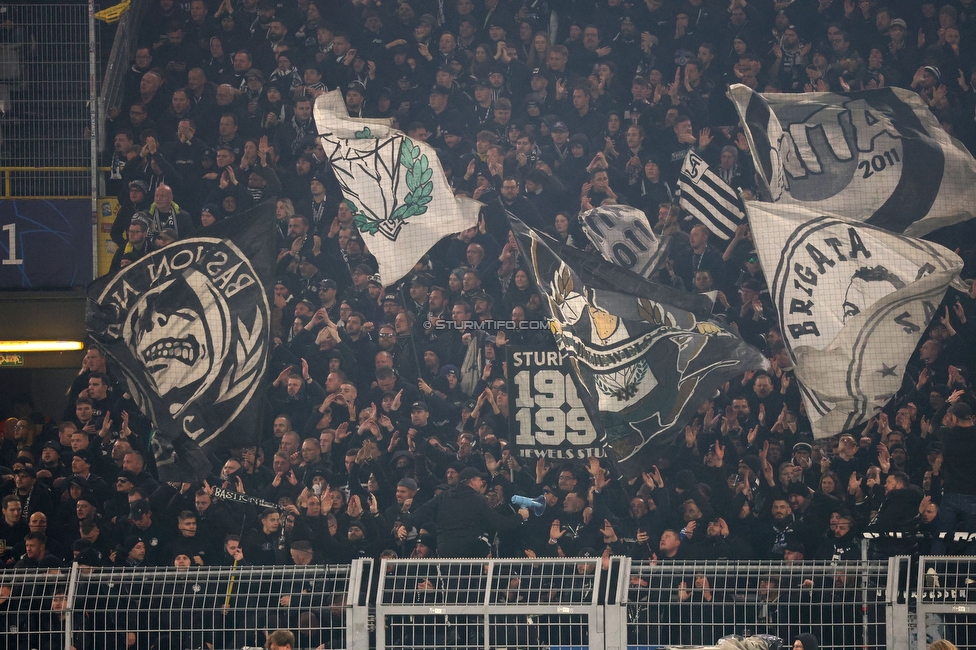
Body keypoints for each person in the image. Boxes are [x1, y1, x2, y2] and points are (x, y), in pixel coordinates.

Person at [398, 467, 528, 557]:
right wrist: (520, 516)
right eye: (479, 480)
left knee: (450, 591)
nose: (481, 483)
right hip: (470, 553)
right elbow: (499, 523)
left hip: (446, 551)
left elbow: (422, 511)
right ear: (472, 481)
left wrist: (405, 525)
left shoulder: (444, 497)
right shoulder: (479, 500)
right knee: (469, 592)